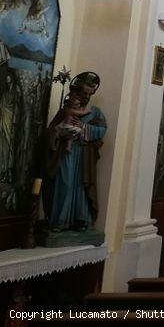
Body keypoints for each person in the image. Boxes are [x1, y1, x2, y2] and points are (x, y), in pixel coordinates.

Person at [44, 72, 106, 233]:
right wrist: (59, 133)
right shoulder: (67, 109)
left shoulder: (95, 112)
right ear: (77, 91)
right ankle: (59, 220)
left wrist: (84, 128)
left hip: (85, 154)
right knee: (64, 182)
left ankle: (81, 220)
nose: (85, 96)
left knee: (82, 186)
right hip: (66, 153)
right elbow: (51, 131)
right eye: (83, 92)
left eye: (89, 93)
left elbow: (102, 130)